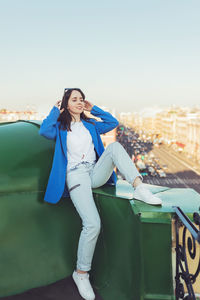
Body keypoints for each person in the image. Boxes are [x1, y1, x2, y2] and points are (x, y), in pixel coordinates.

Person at [39, 88, 162, 300]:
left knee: (114, 147)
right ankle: (81, 274)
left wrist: (93, 108)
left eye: (81, 99)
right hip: (75, 175)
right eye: (74, 99)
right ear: (66, 104)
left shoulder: (91, 124)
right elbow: (44, 131)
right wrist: (54, 108)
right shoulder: (60, 126)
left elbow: (113, 122)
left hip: (94, 171)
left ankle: (139, 188)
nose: (79, 102)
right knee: (92, 224)